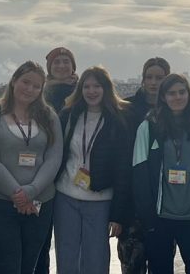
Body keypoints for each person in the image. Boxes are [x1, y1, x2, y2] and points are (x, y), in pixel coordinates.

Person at [0, 61, 65, 274]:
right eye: (26, 82)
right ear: (14, 81)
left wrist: (31, 191)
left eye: (36, 86)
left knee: (27, 269)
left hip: (38, 206)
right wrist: (18, 194)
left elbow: (53, 158)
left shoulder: (49, 117)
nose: (30, 89)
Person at [131, 73, 190, 274]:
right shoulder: (148, 127)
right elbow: (139, 173)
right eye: (171, 93)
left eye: (181, 92)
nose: (177, 97)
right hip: (160, 217)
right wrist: (148, 217)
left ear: (188, 94)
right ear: (163, 97)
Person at [54, 66, 133, 274]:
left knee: (96, 259)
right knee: (66, 256)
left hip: (100, 199)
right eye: (86, 86)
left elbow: (123, 169)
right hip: (66, 196)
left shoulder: (118, 120)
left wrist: (118, 214)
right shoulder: (69, 115)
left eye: (96, 86)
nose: (91, 91)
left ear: (106, 88)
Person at [119, 57, 170, 274]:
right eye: (149, 77)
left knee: (162, 264)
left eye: (159, 78)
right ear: (142, 79)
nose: (154, 82)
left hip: (164, 198)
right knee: (132, 265)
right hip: (132, 198)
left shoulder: (174, 108)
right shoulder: (125, 108)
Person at [45, 47, 79, 117]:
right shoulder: (39, 93)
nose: (61, 66)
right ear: (50, 68)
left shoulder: (81, 91)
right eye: (56, 62)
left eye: (66, 62)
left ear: (72, 67)